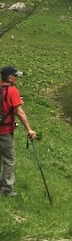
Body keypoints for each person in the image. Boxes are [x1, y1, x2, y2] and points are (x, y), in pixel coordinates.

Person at [1, 65, 36, 197]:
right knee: (9, 159)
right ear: (10, 78)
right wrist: (29, 130)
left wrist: (17, 101)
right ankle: (7, 188)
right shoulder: (12, 90)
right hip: (4, 131)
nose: (17, 78)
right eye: (16, 76)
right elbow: (20, 113)